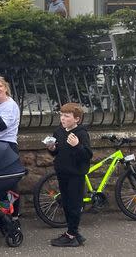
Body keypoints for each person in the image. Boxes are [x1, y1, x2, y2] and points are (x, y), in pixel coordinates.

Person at [47, 103, 92, 247]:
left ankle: (71, 235)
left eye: (67, 116)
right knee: (65, 203)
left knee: (74, 204)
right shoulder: (59, 132)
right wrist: (52, 148)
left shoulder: (81, 133)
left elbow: (87, 155)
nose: (63, 118)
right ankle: (73, 232)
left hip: (76, 175)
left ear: (77, 119)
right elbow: (57, 152)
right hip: (62, 172)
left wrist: (77, 145)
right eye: (61, 115)